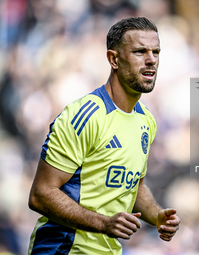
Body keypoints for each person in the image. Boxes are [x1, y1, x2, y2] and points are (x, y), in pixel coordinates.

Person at [28, 17, 180, 254]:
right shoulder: (83, 115)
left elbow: (134, 187)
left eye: (156, 52)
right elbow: (40, 195)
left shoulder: (146, 121)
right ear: (113, 59)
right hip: (63, 250)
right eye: (140, 51)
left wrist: (157, 215)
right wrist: (104, 223)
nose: (151, 59)